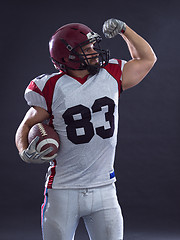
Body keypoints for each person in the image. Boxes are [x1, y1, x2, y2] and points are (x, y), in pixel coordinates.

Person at [15, 18, 157, 240]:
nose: (95, 52)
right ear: (69, 56)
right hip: (63, 190)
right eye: (87, 48)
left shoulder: (110, 74)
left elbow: (147, 58)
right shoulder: (50, 87)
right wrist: (24, 151)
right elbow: (25, 126)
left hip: (105, 188)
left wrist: (125, 30)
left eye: (93, 46)